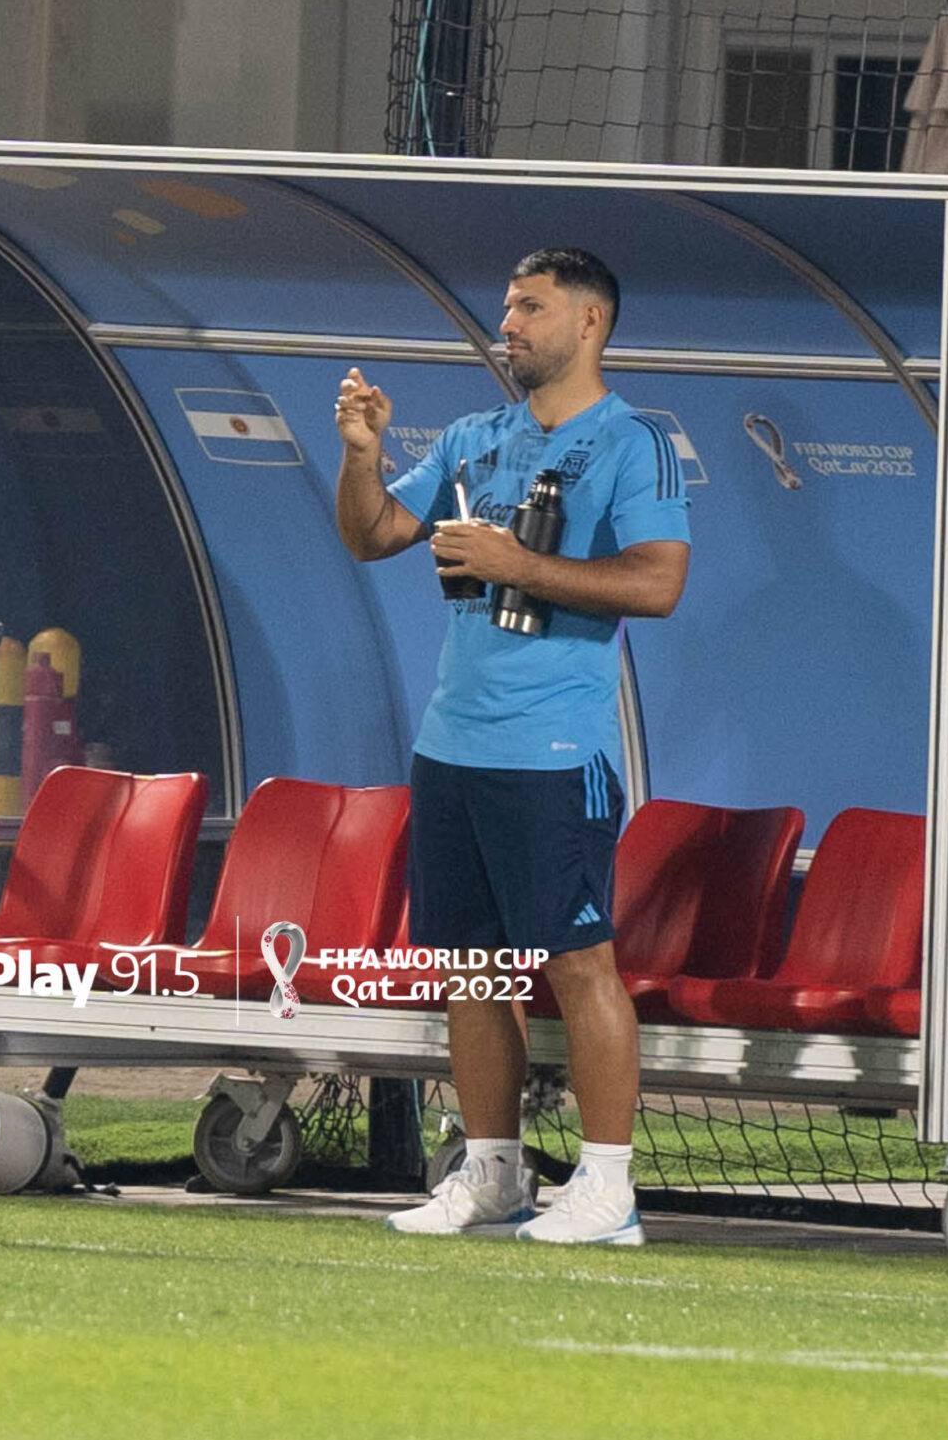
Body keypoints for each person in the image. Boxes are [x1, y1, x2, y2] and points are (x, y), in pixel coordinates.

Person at [336, 247, 690, 1245]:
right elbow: (371, 536)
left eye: (530, 307)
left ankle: (609, 1188)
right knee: (473, 971)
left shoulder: (633, 442)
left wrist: (518, 563)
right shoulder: (470, 436)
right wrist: (362, 453)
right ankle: (491, 1173)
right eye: (507, 306)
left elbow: (657, 583)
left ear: (588, 324)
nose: (510, 322)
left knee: (579, 967)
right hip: (451, 748)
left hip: (553, 751)